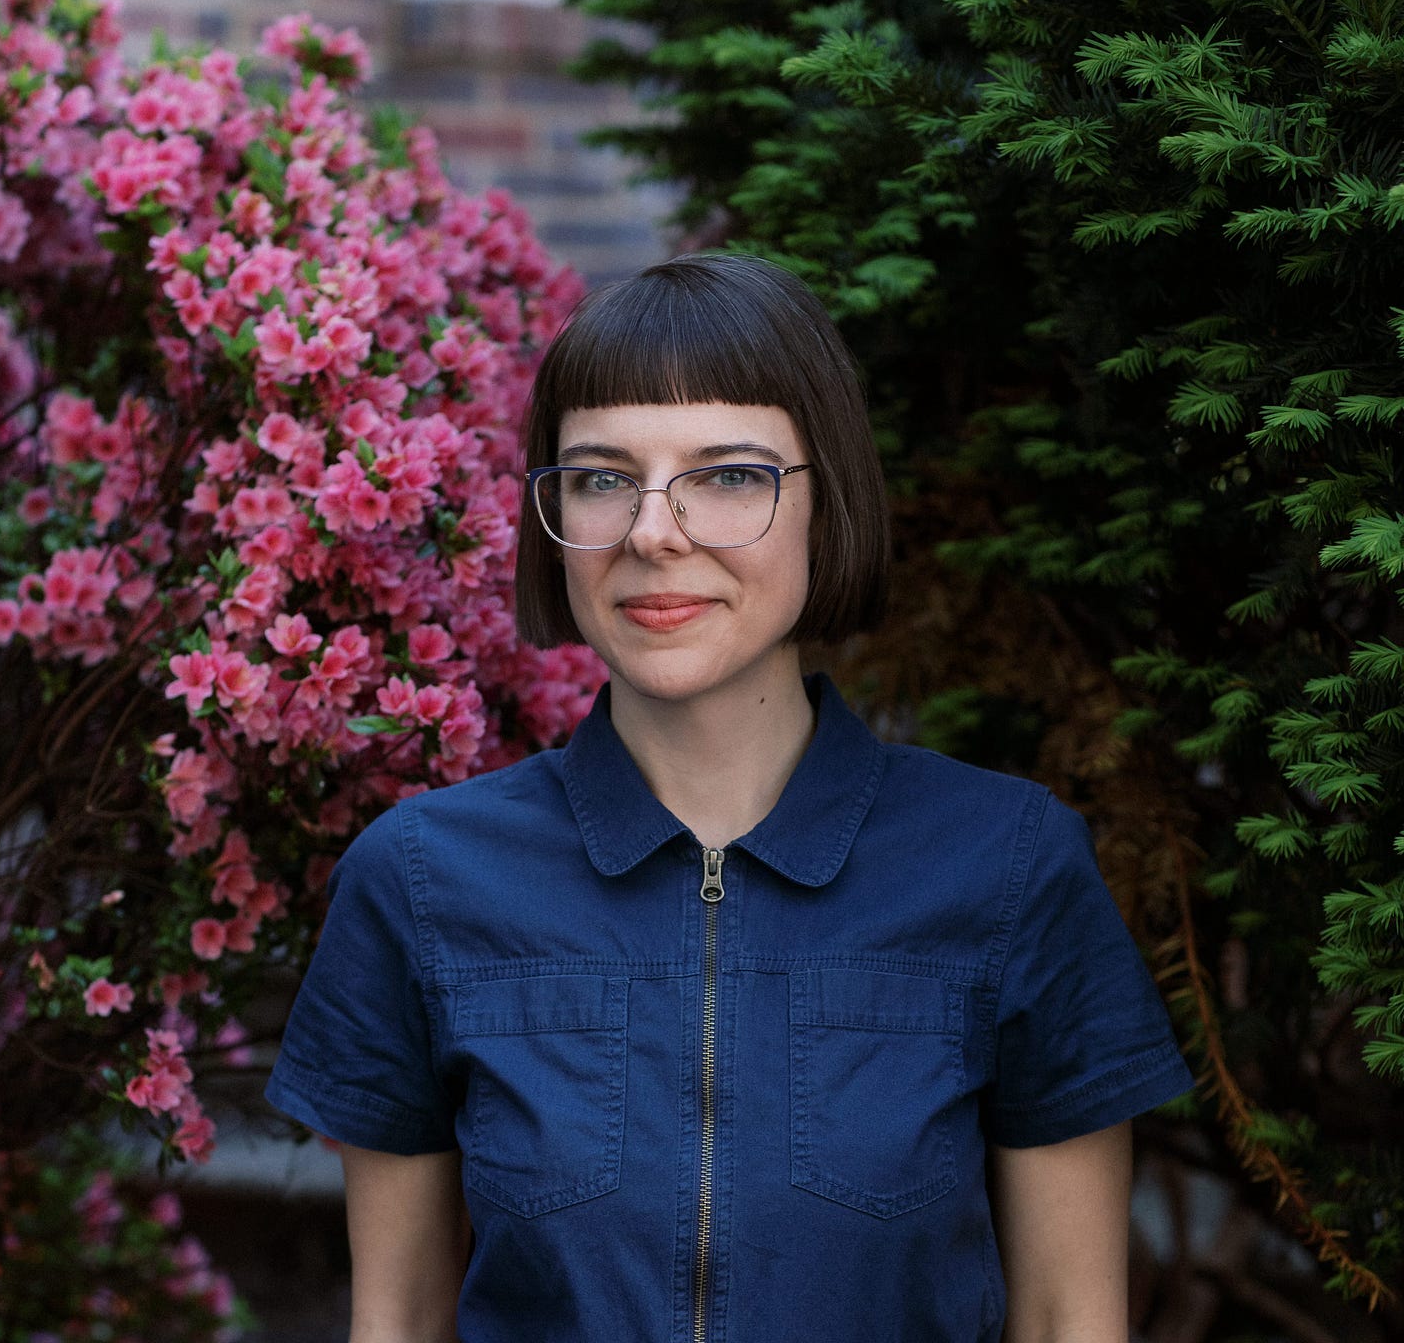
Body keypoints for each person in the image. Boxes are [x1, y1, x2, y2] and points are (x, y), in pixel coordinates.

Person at [265, 253, 1193, 1343]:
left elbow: (1066, 1319)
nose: (655, 530)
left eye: (729, 475)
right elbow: (400, 1321)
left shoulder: (1008, 864)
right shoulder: (421, 878)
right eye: (603, 477)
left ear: (824, 498)